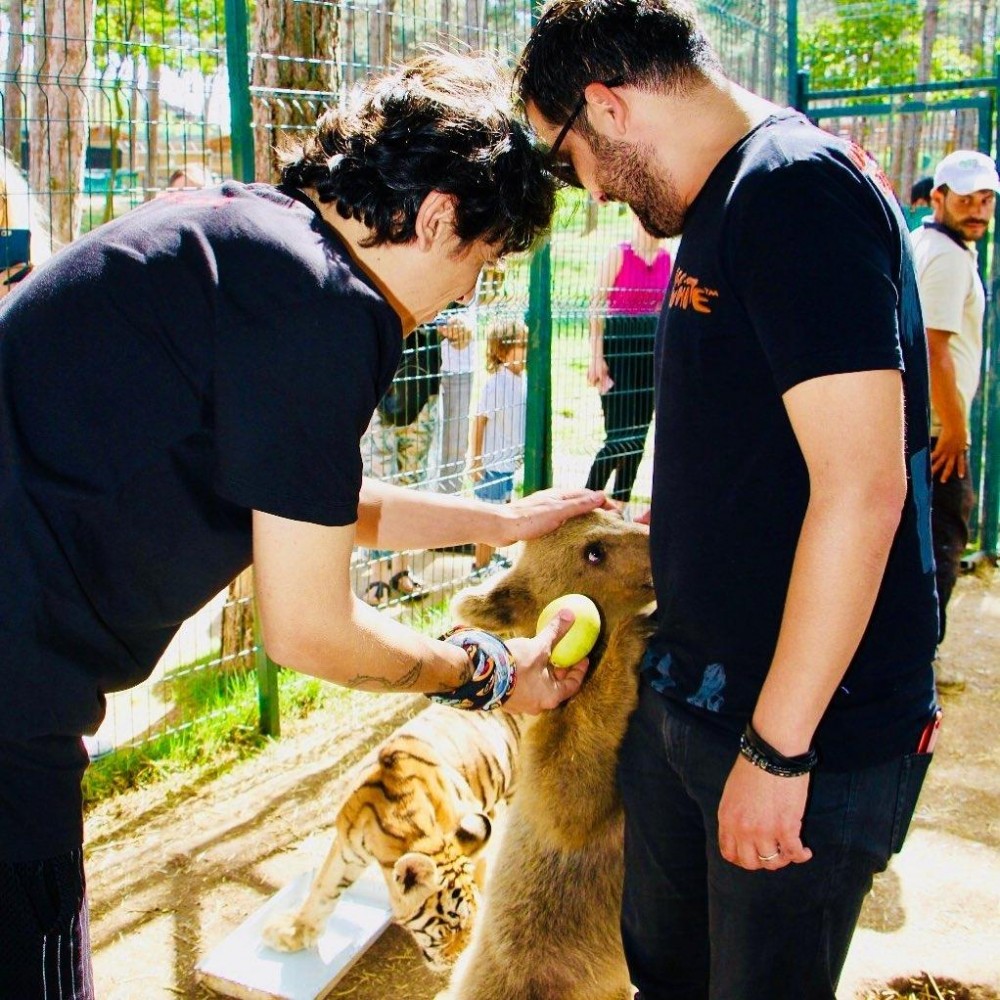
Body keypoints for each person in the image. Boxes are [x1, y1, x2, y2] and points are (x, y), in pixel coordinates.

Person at [0, 52, 609, 998]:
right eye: (481, 265)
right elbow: (309, 628)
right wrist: (489, 673)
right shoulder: (328, 310)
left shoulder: (249, 250)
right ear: (441, 216)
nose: (464, 295)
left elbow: (310, 506)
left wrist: (496, 520)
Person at [518, 3, 939, 998]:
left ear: (606, 106)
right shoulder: (722, 203)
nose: (576, 191)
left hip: (798, 732)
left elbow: (864, 487)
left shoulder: (793, 190)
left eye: (558, 158)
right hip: (693, 694)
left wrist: (777, 749)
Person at [910, 150, 996, 675]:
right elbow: (934, 346)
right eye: (965, 199)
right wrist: (957, 428)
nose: (978, 210)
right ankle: (924, 661)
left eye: (986, 200)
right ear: (938, 197)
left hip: (925, 425)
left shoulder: (938, 246)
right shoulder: (943, 255)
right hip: (940, 431)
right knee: (943, 540)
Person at [585, 210, 671, 503]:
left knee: (639, 438)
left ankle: (620, 505)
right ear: (635, 219)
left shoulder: (665, 261)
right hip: (617, 353)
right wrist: (596, 357)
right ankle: (587, 500)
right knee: (618, 438)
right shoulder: (618, 255)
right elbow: (595, 307)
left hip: (648, 356)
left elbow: (664, 312)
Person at [360, 322, 442, 604]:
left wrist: (461, 327)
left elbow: (475, 302)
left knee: (411, 484)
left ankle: (402, 570)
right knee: (378, 485)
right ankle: (377, 576)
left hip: (423, 385)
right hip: (376, 386)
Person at [469, 317, 529, 574]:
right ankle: (479, 566)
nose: (528, 350)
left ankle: (490, 560)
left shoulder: (523, 379)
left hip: (508, 466)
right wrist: (476, 458)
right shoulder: (496, 383)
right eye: (521, 345)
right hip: (492, 466)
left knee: (500, 516)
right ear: (502, 352)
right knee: (488, 521)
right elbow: (479, 420)